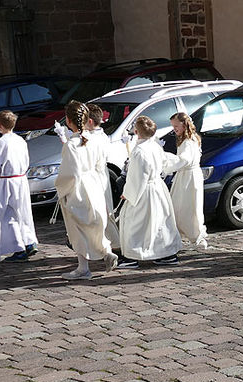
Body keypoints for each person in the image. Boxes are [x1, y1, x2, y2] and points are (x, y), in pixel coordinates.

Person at [54, 101, 117, 279]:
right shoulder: (93, 141)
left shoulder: (71, 145)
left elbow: (70, 173)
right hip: (94, 184)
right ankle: (105, 252)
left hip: (78, 187)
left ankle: (83, 267)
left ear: (68, 120)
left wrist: (61, 189)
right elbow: (99, 165)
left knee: (77, 227)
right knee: (93, 223)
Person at [118, 116, 183, 267]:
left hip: (144, 191)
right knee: (160, 222)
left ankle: (131, 256)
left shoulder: (139, 151)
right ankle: (165, 254)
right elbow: (165, 164)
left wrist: (128, 193)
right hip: (158, 188)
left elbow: (137, 177)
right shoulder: (155, 146)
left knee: (134, 222)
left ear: (136, 131)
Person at [0, 111, 38, 262]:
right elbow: (27, 160)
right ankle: (29, 242)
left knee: (7, 215)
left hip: (7, 181)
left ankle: (19, 248)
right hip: (21, 180)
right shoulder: (20, 140)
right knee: (23, 212)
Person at [164, 112, 208, 251]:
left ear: (184, 124)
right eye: (173, 126)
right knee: (178, 206)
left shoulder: (189, 141)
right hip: (185, 176)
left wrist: (165, 160)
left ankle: (196, 237)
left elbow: (185, 160)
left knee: (189, 207)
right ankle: (177, 236)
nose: (174, 129)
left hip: (189, 177)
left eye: (176, 126)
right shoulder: (186, 139)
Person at [87, 103, 121, 252]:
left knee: (103, 212)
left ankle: (116, 245)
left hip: (96, 177)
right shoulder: (100, 135)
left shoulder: (94, 138)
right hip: (99, 175)